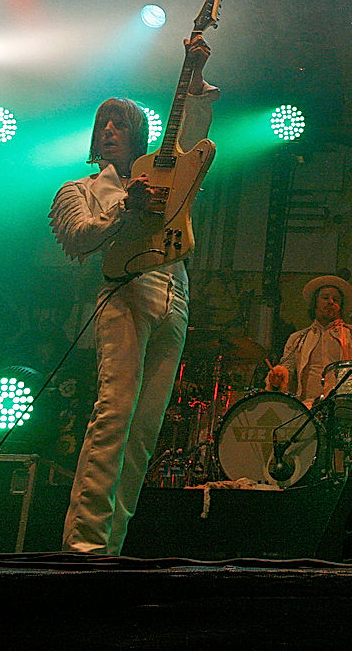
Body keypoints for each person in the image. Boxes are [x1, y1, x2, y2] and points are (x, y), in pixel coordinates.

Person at [51, 37, 218, 554]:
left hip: (175, 290)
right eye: (103, 123)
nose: (108, 130)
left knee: (144, 433)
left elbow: (192, 144)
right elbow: (79, 239)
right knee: (114, 416)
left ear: (137, 133)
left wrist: (195, 78)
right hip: (124, 294)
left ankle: (112, 549)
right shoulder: (80, 188)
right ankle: (83, 548)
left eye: (119, 124)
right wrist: (126, 206)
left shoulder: (161, 172)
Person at [265, 275, 352, 407]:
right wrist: (278, 377)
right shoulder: (298, 338)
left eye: (336, 300)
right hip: (306, 407)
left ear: (341, 306)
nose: (330, 302)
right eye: (325, 298)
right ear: (315, 303)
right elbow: (287, 368)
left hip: (343, 407)